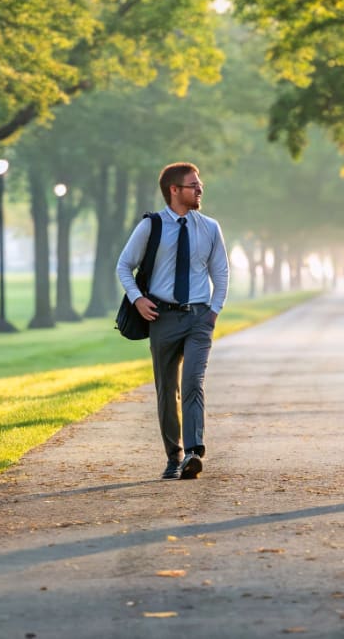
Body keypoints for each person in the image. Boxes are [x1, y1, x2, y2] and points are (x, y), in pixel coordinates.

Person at [117, 162, 229, 481]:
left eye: (200, 183)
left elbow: (220, 272)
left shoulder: (209, 227)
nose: (200, 188)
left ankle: (194, 451)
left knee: (192, 382)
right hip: (161, 317)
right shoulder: (151, 226)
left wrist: (214, 310)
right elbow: (124, 265)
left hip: (198, 318)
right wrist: (138, 299)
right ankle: (173, 455)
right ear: (174, 190)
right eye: (193, 184)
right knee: (167, 389)